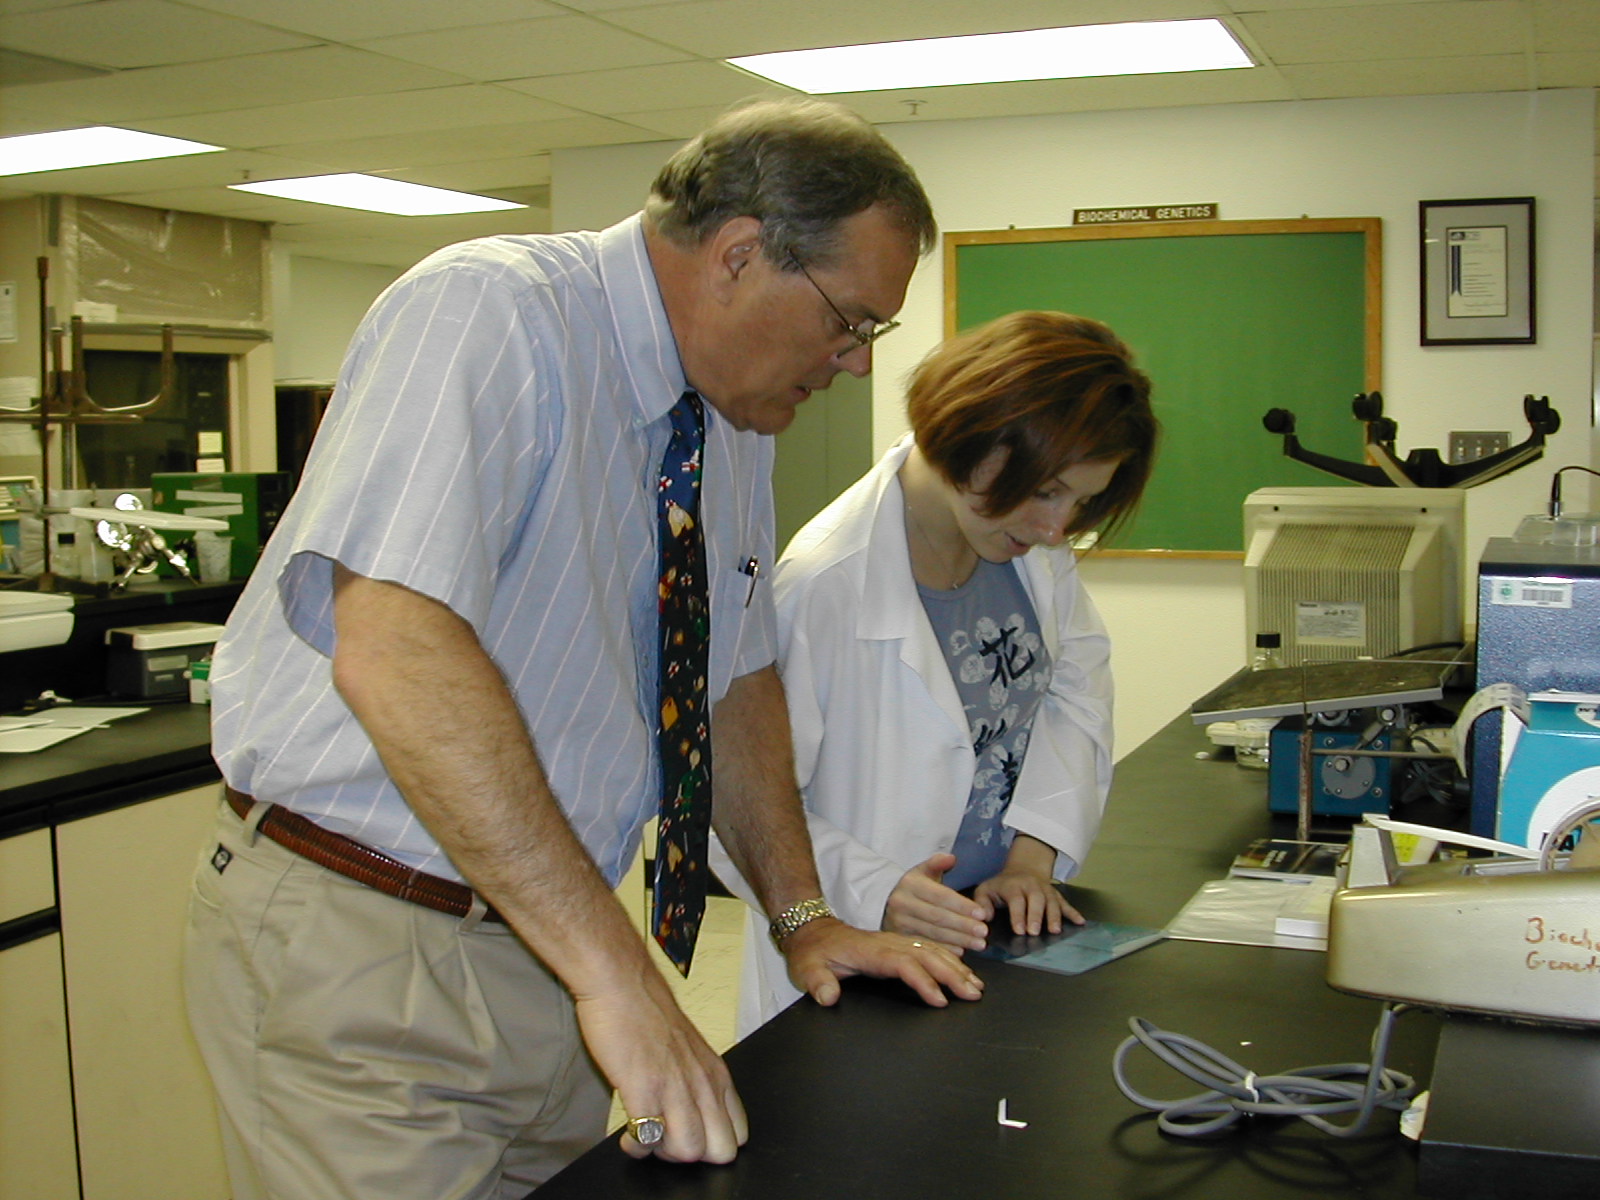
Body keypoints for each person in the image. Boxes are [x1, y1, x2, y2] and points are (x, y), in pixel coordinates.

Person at [183, 98, 986, 1200]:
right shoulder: (487, 313)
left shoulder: (730, 417)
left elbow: (732, 671)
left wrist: (803, 918)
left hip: (547, 931)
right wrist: (620, 978)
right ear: (740, 256)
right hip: (367, 942)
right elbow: (396, 647)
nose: (852, 363)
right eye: (851, 321)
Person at [714, 310, 1158, 1033]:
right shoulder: (825, 582)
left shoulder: (1029, 551)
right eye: (1047, 492)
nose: (1057, 528)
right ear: (973, 432)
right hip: (869, 956)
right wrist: (876, 887)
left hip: (999, 934)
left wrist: (1032, 857)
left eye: (1081, 502)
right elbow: (735, 802)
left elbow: (1075, 695)